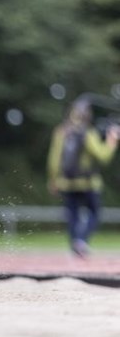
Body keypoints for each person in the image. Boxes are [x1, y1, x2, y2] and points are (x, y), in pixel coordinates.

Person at [47, 98, 119, 258]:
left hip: (66, 183)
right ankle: (81, 241)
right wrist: (112, 141)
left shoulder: (61, 132)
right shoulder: (88, 133)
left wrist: (53, 180)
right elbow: (103, 156)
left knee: (72, 215)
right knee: (94, 212)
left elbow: (54, 159)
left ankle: (75, 245)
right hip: (88, 183)